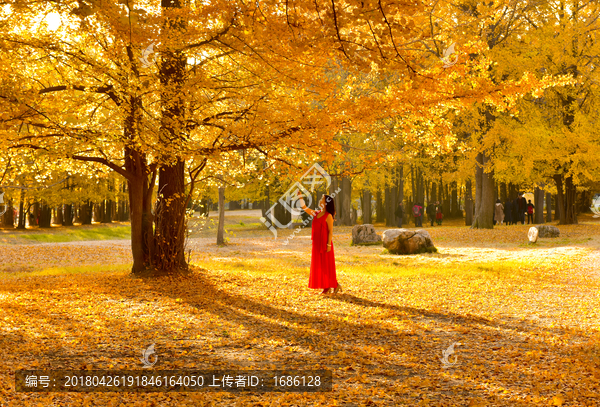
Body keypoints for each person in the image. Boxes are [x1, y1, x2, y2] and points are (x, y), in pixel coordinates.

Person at [298, 191, 341, 295]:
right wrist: (300, 197)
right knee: (320, 266)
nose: (320, 200)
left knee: (326, 265)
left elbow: (330, 231)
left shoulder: (328, 216)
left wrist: (329, 244)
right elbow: (304, 207)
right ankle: (334, 285)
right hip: (316, 243)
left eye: (322, 199)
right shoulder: (316, 213)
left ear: (326, 202)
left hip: (325, 244)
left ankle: (329, 287)